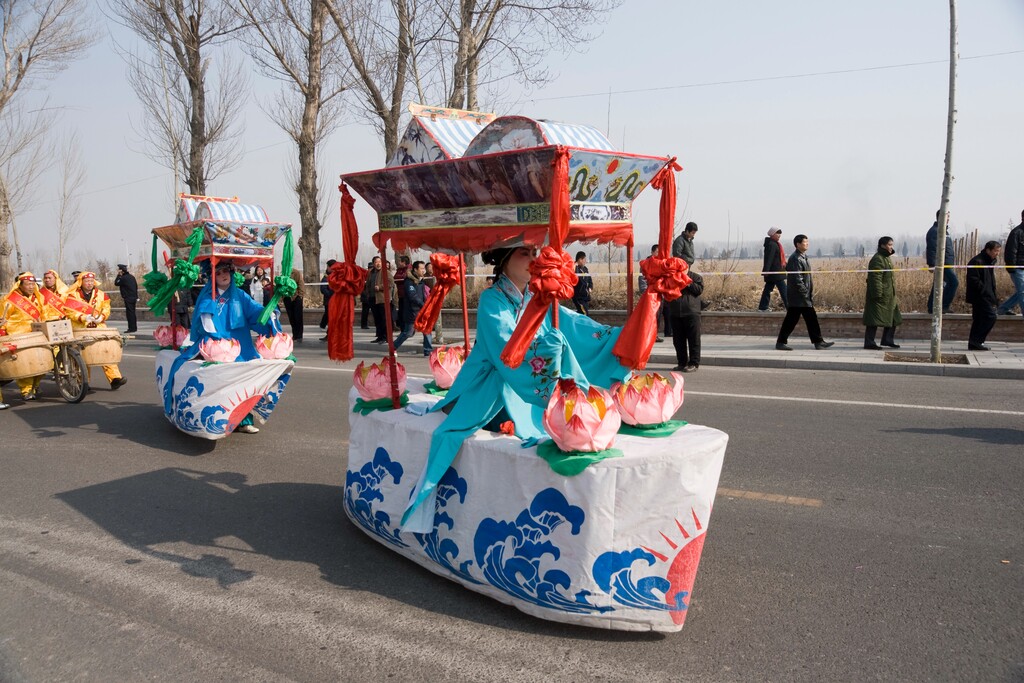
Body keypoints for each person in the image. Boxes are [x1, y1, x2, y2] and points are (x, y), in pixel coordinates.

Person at [400, 245, 631, 532]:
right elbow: (505, 349)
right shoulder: (492, 299)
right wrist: (546, 352)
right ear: (504, 259)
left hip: (527, 382)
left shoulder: (538, 297)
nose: (533, 260)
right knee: (520, 392)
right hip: (490, 383)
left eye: (535, 253)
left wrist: (621, 335)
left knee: (567, 351)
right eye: (524, 253)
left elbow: (576, 326)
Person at [177, 261, 282, 433]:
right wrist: (217, 338)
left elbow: (255, 311)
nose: (223, 275)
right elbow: (206, 320)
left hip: (242, 346)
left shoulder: (240, 295)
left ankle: (244, 420)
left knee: (245, 384)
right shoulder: (208, 297)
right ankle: (217, 419)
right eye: (218, 273)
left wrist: (268, 313)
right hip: (217, 346)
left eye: (226, 271)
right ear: (212, 277)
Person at [65, 271, 127, 390]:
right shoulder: (73, 296)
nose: (89, 283)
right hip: (81, 328)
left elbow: (106, 308)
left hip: (98, 327)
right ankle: (84, 382)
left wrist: (102, 317)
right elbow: (70, 312)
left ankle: (115, 378)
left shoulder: (102, 295)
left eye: (91, 281)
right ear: (81, 282)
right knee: (82, 356)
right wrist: (83, 317)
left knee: (106, 352)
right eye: (86, 281)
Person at [776, 234, 835, 351]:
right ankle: (781, 342)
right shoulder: (796, 258)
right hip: (799, 296)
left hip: (801, 296)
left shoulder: (803, 257)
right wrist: (805, 294)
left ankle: (818, 342)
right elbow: (798, 279)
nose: (807, 244)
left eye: (807, 242)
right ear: (798, 244)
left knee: (807, 319)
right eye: (804, 242)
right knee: (796, 319)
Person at [0, 273, 47, 400]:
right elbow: (2, 319)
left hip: (36, 335)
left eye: (33, 284)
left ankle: (35, 386)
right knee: (25, 365)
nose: (31, 287)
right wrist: (3, 333)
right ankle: (26, 391)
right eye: (28, 284)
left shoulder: (38, 298)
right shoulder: (9, 300)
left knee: (42, 363)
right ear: (20, 285)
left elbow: (44, 314)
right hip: (18, 336)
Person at [863, 236, 902, 349]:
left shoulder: (886, 258)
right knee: (874, 319)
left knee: (894, 318)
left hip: (889, 296)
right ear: (882, 245)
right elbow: (875, 278)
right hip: (879, 296)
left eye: (892, 245)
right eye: (889, 245)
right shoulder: (878, 259)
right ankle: (869, 342)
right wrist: (877, 294)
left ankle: (887, 339)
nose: (891, 247)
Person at [965, 241, 1001, 351]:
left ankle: (974, 343)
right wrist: (984, 291)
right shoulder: (977, 261)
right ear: (988, 250)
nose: (997, 253)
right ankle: (977, 341)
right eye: (995, 251)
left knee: (979, 319)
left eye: (999, 251)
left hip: (987, 295)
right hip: (980, 296)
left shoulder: (989, 261)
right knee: (990, 317)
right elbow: (973, 280)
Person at [393, 260, 433, 356]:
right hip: (412, 312)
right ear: (415, 269)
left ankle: (428, 351)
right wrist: (422, 305)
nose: (424, 270)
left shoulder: (421, 281)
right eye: (422, 268)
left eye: (424, 268)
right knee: (408, 333)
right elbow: (412, 296)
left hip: (422, 310)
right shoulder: (409, 281)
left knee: (427, 330)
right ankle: (393, 347)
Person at [668, 272, 704, 372]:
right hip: (675, 313)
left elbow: (699, 290)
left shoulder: (695, 277)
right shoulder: (671, 276)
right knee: (678, 340)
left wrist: (687, 281)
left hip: (691, 312)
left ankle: (693, 363)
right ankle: (681, 363)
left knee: (694, 339)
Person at [926, 210, 958, 314]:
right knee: (953, 282)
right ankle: (943, 306)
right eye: (946, 217)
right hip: (942, 264)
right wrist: (931, 264)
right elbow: (932, 248)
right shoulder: (935, 231)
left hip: (947, 262)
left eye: (949, 217)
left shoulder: (944, 231)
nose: (948, 219)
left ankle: (932, 307)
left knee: (939, 285)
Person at [996, 209, 1024, 317]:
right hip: (1017, 268)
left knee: (1021, 291)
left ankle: (1003, 308)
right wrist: (1012, 268)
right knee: (1022, 292)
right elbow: (1010, 251)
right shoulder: (1016, 233)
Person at [638, 244, 668, 342]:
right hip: (650, 295)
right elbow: (642, 280)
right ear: (652, 252)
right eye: (657, 252)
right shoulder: (646, 264)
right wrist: (646, 292)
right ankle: (647, 336)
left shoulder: (661, 264)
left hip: (660, 295)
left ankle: (654, 335)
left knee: (658, 316)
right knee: (649, 317)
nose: (658, 254)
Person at [758, 227, 788, 311]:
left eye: (780, 234)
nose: (779, 235)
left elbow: (779, 259)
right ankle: (790, 308)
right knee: (784, 290)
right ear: (772, 234)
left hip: (774, 272)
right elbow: (769, 258)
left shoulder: (774, 244)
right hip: (775, 272)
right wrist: (766, 271)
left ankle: (763, 307)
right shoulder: (772, 244)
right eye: (777, 233)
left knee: (767, 289)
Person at [114, 264, 139, 333]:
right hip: (134, 297)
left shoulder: (123, 278)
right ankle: (134, 327)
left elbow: (116, 283)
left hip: (128, 297)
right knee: (132, 313)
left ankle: (131, 328)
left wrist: (118, 275)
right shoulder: (132, 277)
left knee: (130, 313)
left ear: (121, 271)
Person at [282, 268, 304, 342]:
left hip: (296, 297)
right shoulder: (283, 274)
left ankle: (299, 335)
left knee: (298, 317)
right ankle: (295, 334)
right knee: (291, 317)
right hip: (287, 298)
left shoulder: (296, 272)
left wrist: (300, 296)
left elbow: (301, 283)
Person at [319, 259, 336, 341]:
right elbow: (323, 288)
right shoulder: (326, 277)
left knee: (334, 319)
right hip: (328, 301)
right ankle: (329, 334)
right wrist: (331, 294)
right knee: (329, 317)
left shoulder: (338, 276)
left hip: (337, 302)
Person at [571, 251, 593, 315]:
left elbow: (589, 279)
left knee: (581, 313)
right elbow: (577, 280)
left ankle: (571, 320)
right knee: (585, 314)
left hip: (585, 297)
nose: (585, 261)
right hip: (578, 297)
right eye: (584, 259)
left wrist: (590, 287)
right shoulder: (575, 268)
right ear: (580, 260)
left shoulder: (585, 269)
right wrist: (575, 265)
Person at [360, 259, 374, 330]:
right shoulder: (370, 274)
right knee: (366, 311)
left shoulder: (365, 274)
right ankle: (364, 324)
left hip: (365, 295)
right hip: (367, 295)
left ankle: (363, 324)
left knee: (365, 311)